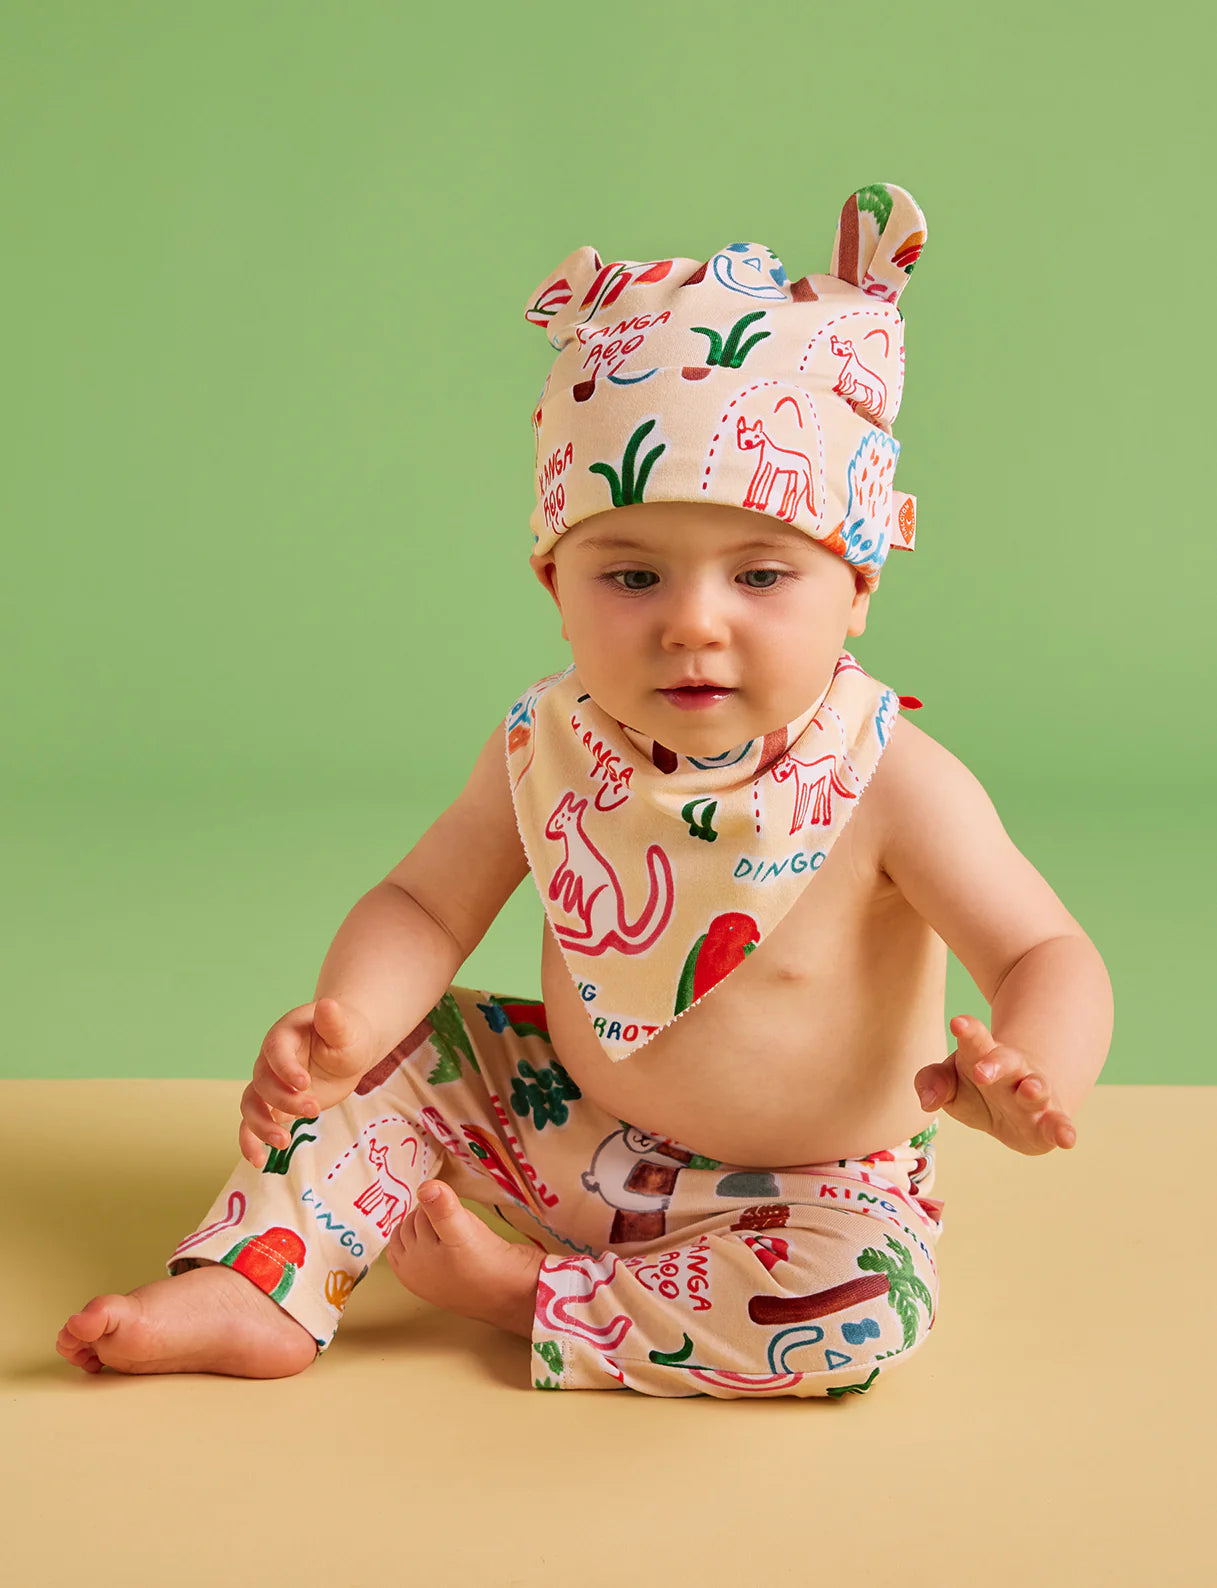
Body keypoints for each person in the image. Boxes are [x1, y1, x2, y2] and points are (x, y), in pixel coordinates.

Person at [56, 183, 1113, 1397]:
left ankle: (533, 1297)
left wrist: (1032, 1066)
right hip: (565, 1129)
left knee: (861, 1308)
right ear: (555, 583)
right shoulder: (543, 741)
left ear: (858, 585)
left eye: (760, 575)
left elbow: (1041, 949)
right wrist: (344, 1024)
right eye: (631, 577)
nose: (692, 625)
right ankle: (258, 1282)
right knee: (399, 1049)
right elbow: (423, 904)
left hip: (809, 1195)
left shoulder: (890, 778)